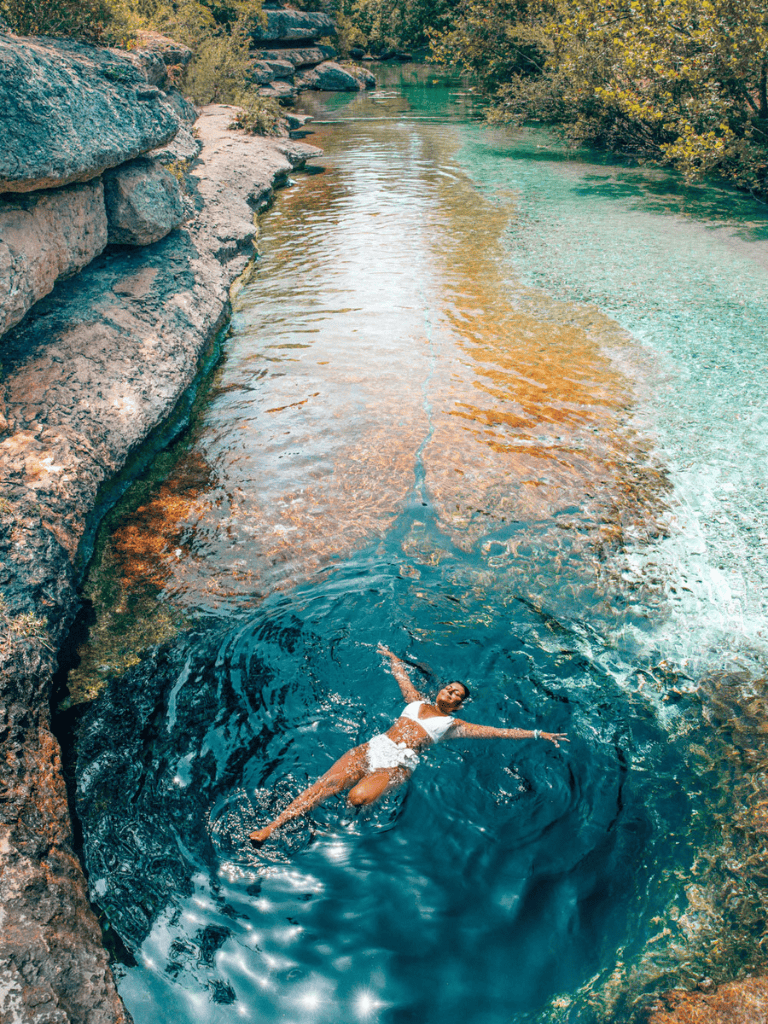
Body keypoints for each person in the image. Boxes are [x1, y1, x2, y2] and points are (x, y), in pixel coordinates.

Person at [249, 644, 568, 847]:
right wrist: (391, 658)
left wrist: (539, 734)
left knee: (357, 797)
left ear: (459, 706)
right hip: (372, 749)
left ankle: (337, 828)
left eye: (458, 696)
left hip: (396, 767)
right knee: (322, 787)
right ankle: (270, 827)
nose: (452, 694)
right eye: (450, 689)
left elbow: (498, 732)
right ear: (441, 690)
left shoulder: (452, 725)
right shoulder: (415, 702)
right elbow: (402, 678)